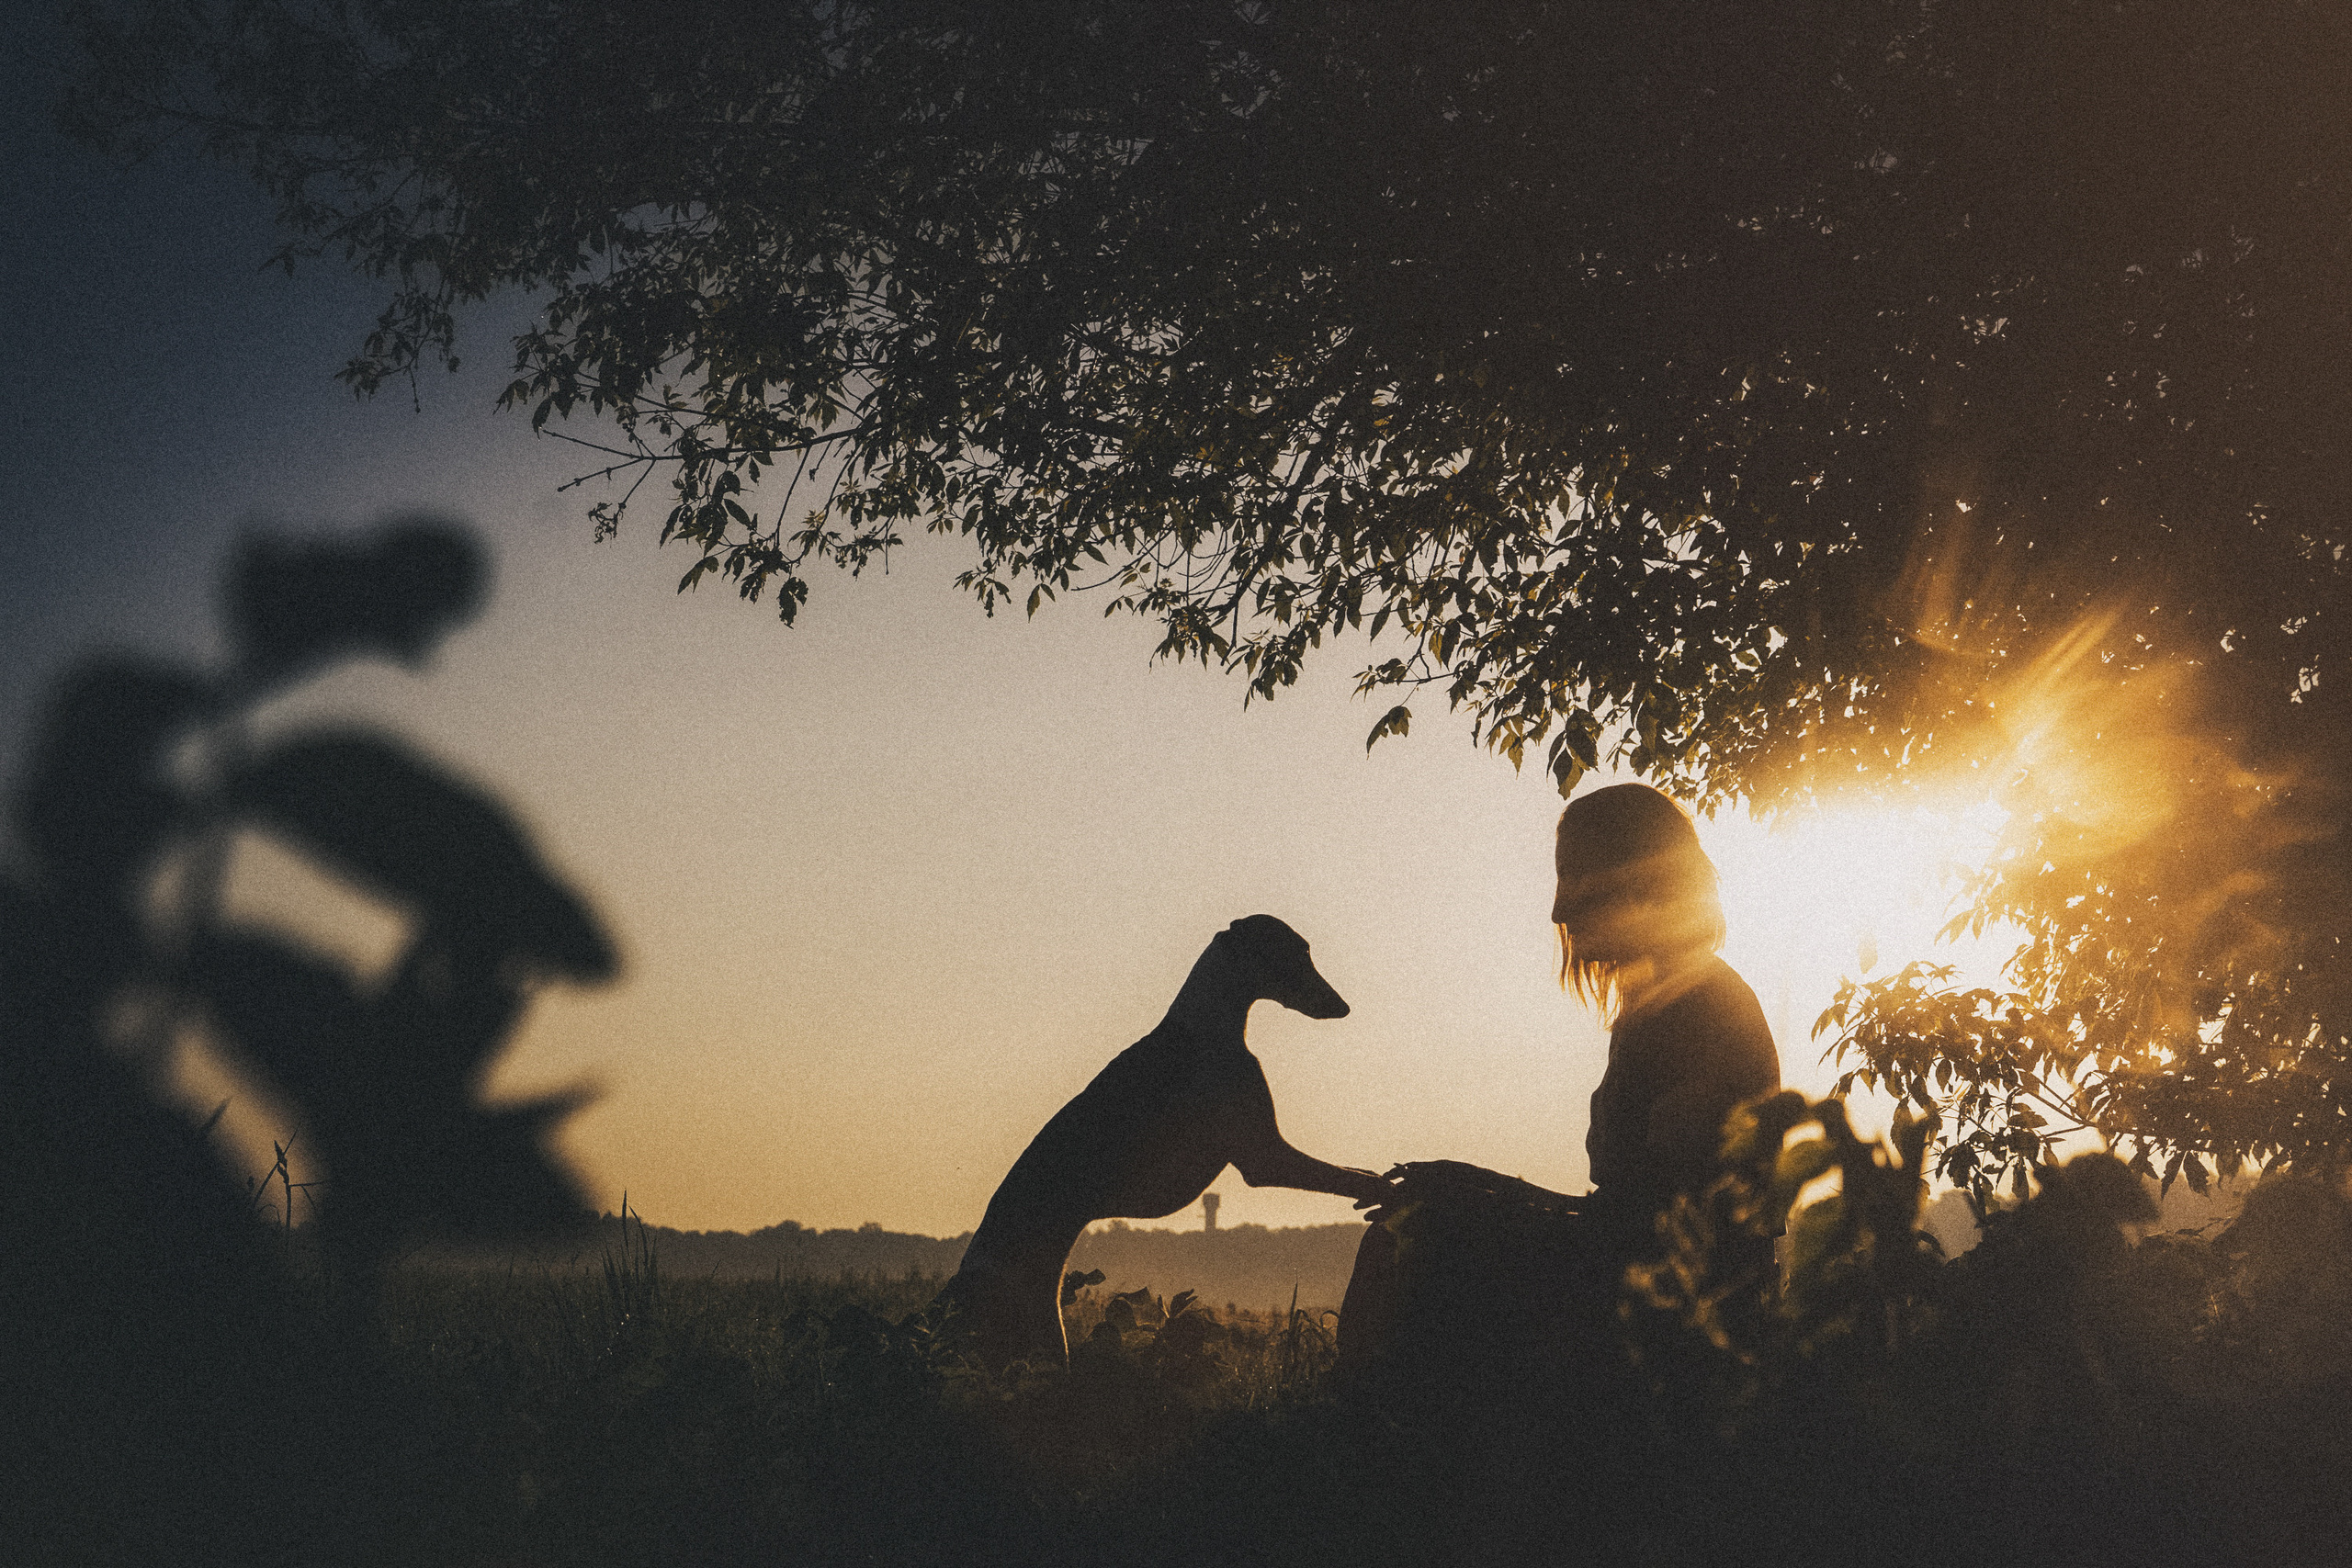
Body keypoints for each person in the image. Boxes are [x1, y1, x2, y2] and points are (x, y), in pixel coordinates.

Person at [1552, 783, 1780, 1258]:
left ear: (1637, 882)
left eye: (1577, 878)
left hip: (1685, 1318)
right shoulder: (1660, 1008)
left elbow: (1652, 1227)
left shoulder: (1702, 1010)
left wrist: (1483, 1195)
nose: (1559, 910)